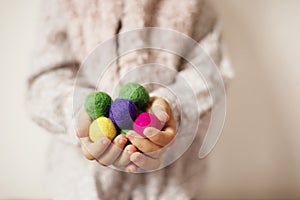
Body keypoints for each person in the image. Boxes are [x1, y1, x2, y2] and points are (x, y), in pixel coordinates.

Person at [26, 0, 233, 199]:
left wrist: (172, 107)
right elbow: (45, 77)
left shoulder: (193, 3)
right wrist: (77, 110)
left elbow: (211, 73)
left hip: (172, 186)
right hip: (80, 185)